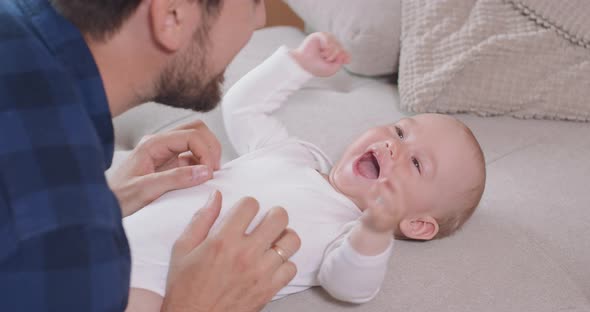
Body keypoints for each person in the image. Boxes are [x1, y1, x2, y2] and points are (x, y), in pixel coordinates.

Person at [123, 32, 487, 310]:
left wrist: (374, 230)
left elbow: (351, 286)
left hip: (157, 287)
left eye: (417, 163)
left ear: (417, 223)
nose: (396, 146)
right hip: (117, 224)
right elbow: (241, 109)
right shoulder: (294, 154)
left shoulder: (346, 234)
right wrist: (297, 65)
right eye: (400, 130)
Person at [0, 0, 301, 311]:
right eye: (254, 2)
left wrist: (106, 197)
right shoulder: (63, 234)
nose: (262, 18)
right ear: (172, 15)